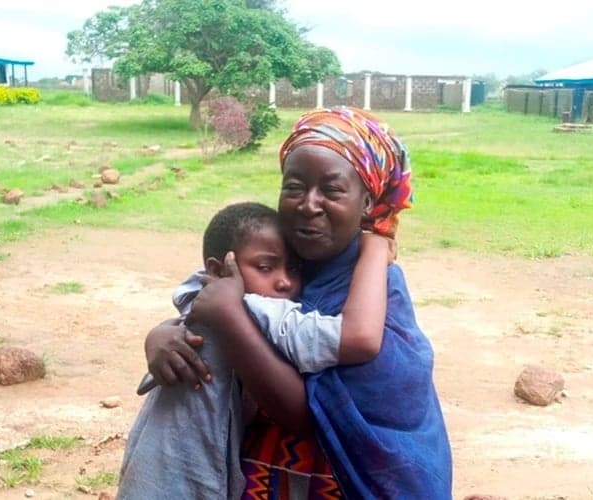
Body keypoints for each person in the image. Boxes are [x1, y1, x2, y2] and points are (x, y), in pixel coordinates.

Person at [146, 107, 453, 499]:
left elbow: (308, 417)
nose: (309, 204)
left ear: (366, 202)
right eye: (294, 186)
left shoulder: (376, 289)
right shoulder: (285, 264)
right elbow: (210, 303)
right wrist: (162, 334)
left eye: (332, 189)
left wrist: (228, 318)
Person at [118, 201, 394, 499]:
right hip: (181, 482)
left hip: (149, 472)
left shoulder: (205, 297)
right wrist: (375, 251)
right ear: (219, 270)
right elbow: (352, 337)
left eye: (294, 268)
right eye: (265, 267)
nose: (284, 281)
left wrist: (159, 333)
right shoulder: (249, 307)